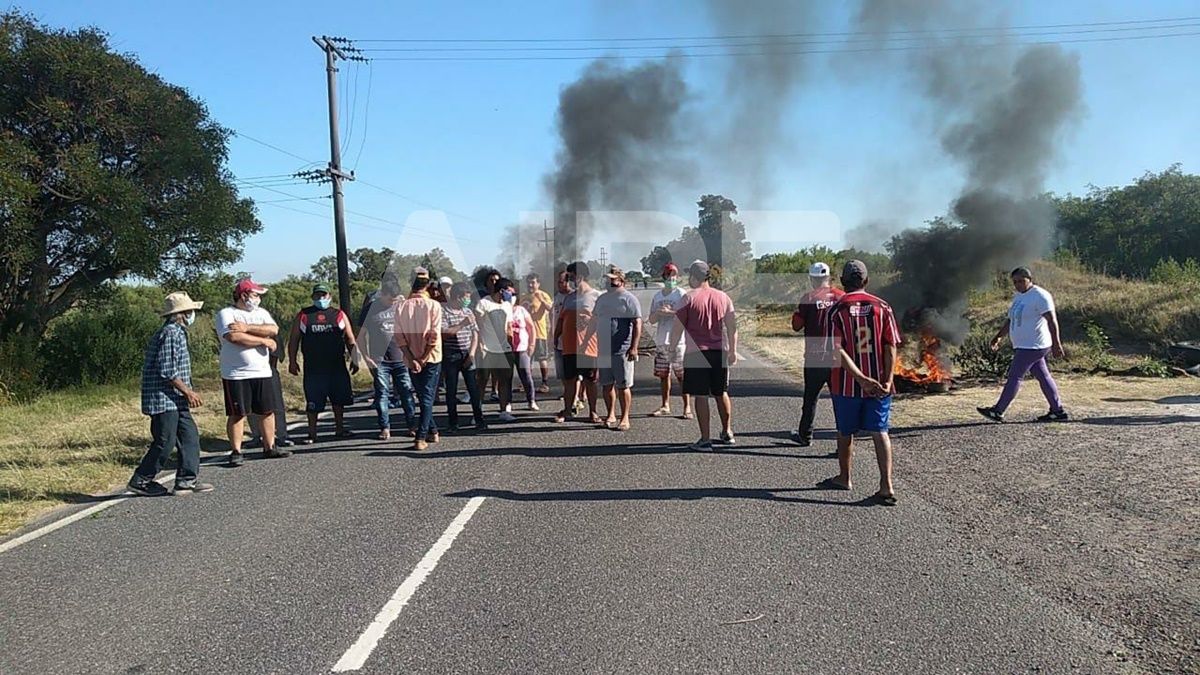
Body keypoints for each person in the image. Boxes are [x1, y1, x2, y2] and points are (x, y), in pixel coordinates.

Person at [820, 260, 900, 506]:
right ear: (866, 280)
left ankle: (845, 478)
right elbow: (890, 345)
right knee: (880, 431)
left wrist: (860, 379)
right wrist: (887, 379)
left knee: (845, 432)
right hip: (880, 385)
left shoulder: (836, 310)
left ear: (843, 282)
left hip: (846, 384)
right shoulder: (882, 307)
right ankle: (886, 486)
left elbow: (836, 350)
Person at [128, 292, 213, 496]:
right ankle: (141, 479)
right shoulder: (170, 333)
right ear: (182, 314)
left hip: (176, 398)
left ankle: (186, 480)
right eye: (190, 311)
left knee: (189, 437)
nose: (192, 315)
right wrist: (188, 392)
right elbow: (167, 370)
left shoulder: (178, 333)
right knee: (165, 441)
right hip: (164, 398)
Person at [977, 267, 1069, 423]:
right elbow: (1011, 320)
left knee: (1015, 376)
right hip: (1024, 345)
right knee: (1044, 376)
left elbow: (1052, 321)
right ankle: (1057, 411)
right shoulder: (1019, 296)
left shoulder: (1040, 296)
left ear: (1029, 279)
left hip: (1034, 345)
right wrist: (998, 337)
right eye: (1015, 282)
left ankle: (998, 410)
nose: (1018, 284)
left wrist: (1056, 344)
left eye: (1021, 281)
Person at [215, 279, 288, 466]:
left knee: (267, 411)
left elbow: (273, 329)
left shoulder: (261, 313)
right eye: (255, 295)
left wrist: (247, 328)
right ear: (244, 295)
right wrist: (263, 341)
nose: (258, 299)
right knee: (238, 413)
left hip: (262, 371)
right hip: (236, 373)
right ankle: (236, 451)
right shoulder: (226, 313)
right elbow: (234, 336)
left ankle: (269, 446)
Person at [669, 261, 738, 451]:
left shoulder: (688, 298)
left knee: (701, 395)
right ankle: (727, 432)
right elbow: (732, 327)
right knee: (721, 392)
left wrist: (672, 349)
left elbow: (677, 328)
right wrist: (733, 350)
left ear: (694, 277)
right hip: (719, 351)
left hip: (696, 352)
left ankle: (705, 439)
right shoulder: (723, 297)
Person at [287, 283, 359, 444]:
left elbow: (350, 338)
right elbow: (294, 340)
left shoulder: (338, 314)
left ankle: (340, 429)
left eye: (323, 295)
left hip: (336, 365)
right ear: (313, 297)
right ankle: (312, 434)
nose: (321, 298)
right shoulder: (304, 315)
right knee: (313, 402)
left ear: (329, 296)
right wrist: (292, 361)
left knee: (339, 400)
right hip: (313, 368)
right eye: (317, 295)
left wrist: (355, 359)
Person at [790, 262, 846, 447]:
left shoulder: (808, 298)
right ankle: (844, 443)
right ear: (829, 277)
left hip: (815, 358)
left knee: (810, 399)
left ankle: (805, 435)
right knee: (840, 401)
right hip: (839, 358)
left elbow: (796, 326)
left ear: (812, 279)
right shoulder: (842, 297)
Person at [358, 275, 417, 441]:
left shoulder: (401, 307)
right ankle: (385, 427)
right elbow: (360, 336)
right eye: (389, 299)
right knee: (382, 393)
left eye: (394, 299)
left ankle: (412, 425)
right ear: (382, 295)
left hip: (401, 358)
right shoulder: (370, 309)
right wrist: (366, 358)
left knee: (406, 392)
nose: (392, 302)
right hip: (379, 360)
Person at [588, 266, 642, 431]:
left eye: (612, 279)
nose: (608, 282)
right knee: (607, 384)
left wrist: (634, 347)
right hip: (603, 349)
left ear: (621, 280)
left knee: (623, 385)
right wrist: (586, 342)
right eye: (607, 279)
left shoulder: (629, 299)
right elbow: (594, 320)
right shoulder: (602, 299)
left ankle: (625, 417)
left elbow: (637, 323)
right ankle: (610, 414)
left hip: (622, 349)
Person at [395, 270, 443, 450]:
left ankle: (432, 430)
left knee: (423, 396)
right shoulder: (434, 306)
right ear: (427, 285)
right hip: (431, 357)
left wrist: (412, 358)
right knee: (426, 397)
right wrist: (423, 358)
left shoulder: (400, 307)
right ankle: (421, 436)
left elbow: (399, 337)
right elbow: (434, 335)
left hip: (411, 357)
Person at [554, 261, 602, 424]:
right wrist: (556, 337)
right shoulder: (569, 298)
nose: (569, 280)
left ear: (580, 276)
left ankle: (593, 412)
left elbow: (603, 320)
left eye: (571, 276)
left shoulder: (596, 296)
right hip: (569, 347)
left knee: (590, 381)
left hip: (588, 347)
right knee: (569, 381)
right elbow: (561, 320)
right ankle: (568, 410)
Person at [647, 263, 691, 419]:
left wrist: (671, 312)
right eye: (668, 275)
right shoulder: (657, 296)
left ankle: (687, 407)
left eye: (674, 275)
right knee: (663, 375)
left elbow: (688, 316)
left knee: (681, 375)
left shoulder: (681, 294)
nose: (671, 278)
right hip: (661, 340)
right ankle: (665, 405)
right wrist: (659, 313)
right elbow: (651, 319)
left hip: (678, 341)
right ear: (663, 277)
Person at [441, 284, 486, 431]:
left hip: (467, 353)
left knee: (473, 388)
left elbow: (475, 333)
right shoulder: (444, 312)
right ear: (458, 297)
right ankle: (453, 422)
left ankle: (479, 419)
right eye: (466, 297)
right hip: (451, 355)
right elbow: (444, 333)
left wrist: (471, 354)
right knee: (451, 389)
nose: (468, 300)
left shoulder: (468, 311)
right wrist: (462, 324)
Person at [475, 276, 518, 422]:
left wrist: (511, 346)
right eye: (509, 292)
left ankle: (504, 410)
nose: (511, 295)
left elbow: (509, 327)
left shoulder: (507, 305)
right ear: (501, 290)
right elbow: (478, 326)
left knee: (504, 381)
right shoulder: (484, 303)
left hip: (504, 349)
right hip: (487, 349)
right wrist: (480, 345)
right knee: (482, 381)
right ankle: (477, 413)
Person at [509, 283, 540, 411]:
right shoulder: (502, 310)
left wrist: (532, 344)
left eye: (513, 294)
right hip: (507, 349)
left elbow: (531, 327)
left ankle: (531, 400)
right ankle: (507, 403)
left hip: (522, 348)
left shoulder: (521, 310)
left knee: (526, 375)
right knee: (506, 377)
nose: (511, 297)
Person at [523, 273, 554, 393]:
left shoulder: (543, 295)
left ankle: (544, 383)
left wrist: (542, 300)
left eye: (533, 283)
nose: (530, 285)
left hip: (539, 333)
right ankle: (526, 383)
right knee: (527, 360)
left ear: (538, 284)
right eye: (528, 283)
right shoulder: (524, 297)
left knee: (542, 359)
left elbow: (550, 308)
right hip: (525, 334)